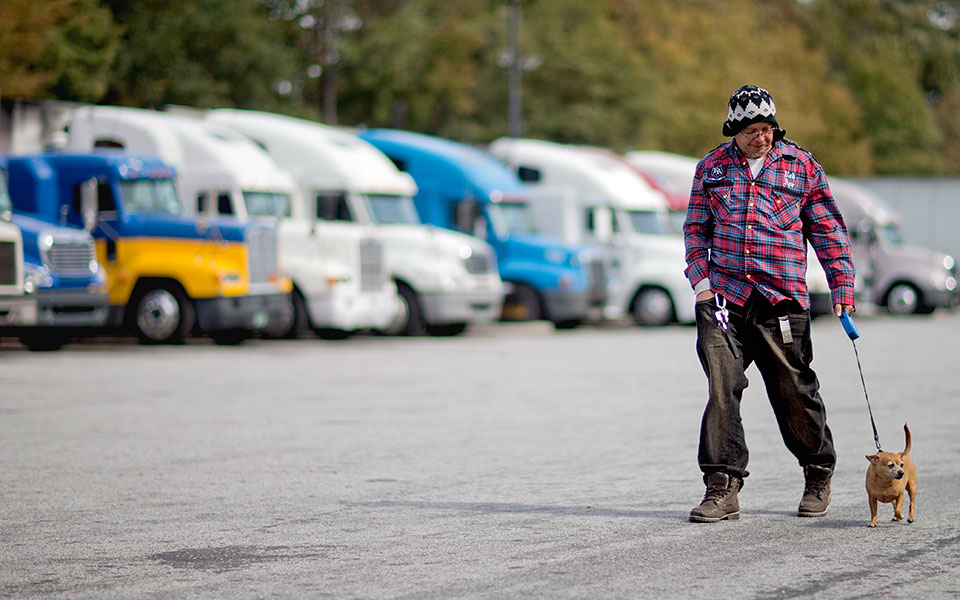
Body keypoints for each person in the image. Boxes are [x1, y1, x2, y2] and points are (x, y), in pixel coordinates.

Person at [682, 84, 856, 523]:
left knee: (793, 391)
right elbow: (695, 230)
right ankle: (721, 485)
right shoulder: (711, 168)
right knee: (722, 387)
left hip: (782, 300)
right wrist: (701, 283)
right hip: (724, 300)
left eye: (767, 129)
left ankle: (817, 471)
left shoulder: (802, 166)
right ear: (733, 131)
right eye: (751, 131)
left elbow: (829, 232)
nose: (760, 137)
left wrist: (842, 288)